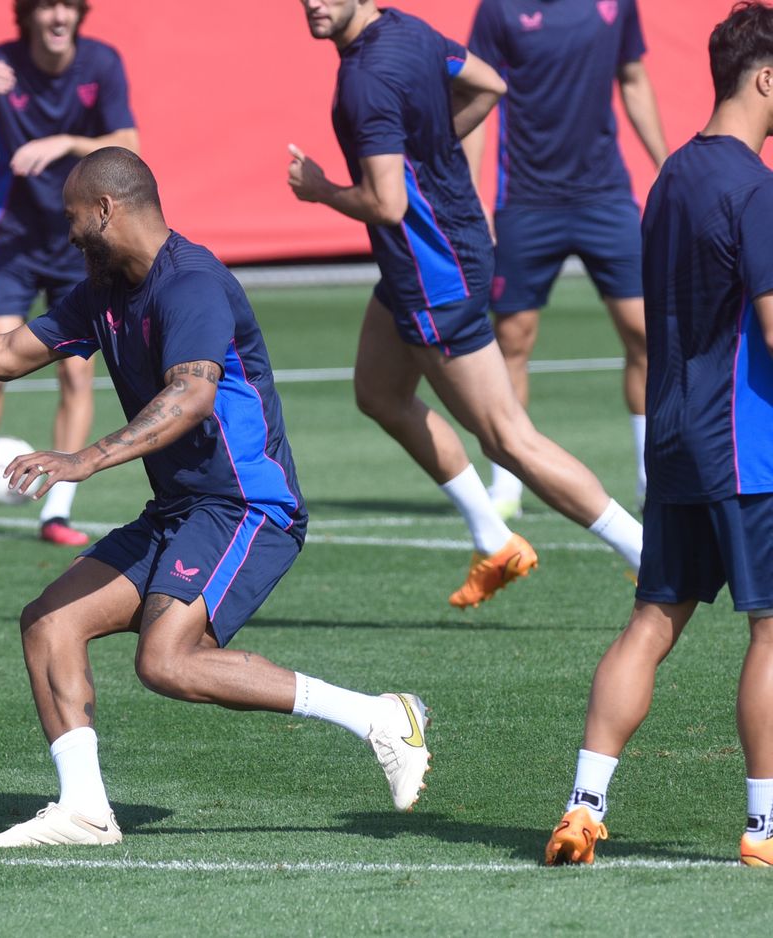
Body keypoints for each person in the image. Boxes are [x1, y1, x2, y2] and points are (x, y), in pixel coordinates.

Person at [0, 148, 432, 847]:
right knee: (49, 623)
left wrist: (87, 458)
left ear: (106, 209)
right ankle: (85, 810)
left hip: (247, 506)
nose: (67, 233)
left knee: (165, 661)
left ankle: (377, 717)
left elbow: (191, 395)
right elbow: (8, 353)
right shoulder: (104, 287)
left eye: (73, 217)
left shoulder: (190, 283)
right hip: (180, 508)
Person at [288, 0, 644, 608]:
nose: (313, 2)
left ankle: (650, 554)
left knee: (508, 439)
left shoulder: (364, 79)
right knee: (378, 393)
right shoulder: (406, 28)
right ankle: (493, 537)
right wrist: (426, 148)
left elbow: (388, 205)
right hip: (433, 259)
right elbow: (489, 85)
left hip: (435, 275)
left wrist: (319, 190)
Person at [545, 1, 773, 868]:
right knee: (770, 632)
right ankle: (764, 828)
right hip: (748, 445)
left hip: (674, 441)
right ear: (764, 79)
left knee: (650, 623)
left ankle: (583, 804)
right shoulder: (756, 188)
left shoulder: (671, 175)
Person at [0, 0, 138, 548]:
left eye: (68, 5)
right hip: (13, 243)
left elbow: (131, 148)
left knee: (75, 373)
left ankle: (56, 512)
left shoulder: (102, 63)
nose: (59, 16)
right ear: (29, 15)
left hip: (82, 244)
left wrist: (67, 144)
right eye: (47, 6)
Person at [465, 0, 669, 519]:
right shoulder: (499, 11)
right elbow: (476, 101)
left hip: (606, 195)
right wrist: (471, 197)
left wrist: (666, 167)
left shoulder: (615, 5)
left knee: (645, 333)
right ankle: (507, 485)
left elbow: (635, 78)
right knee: (512, 339)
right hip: (526, 202)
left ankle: (653, 480)